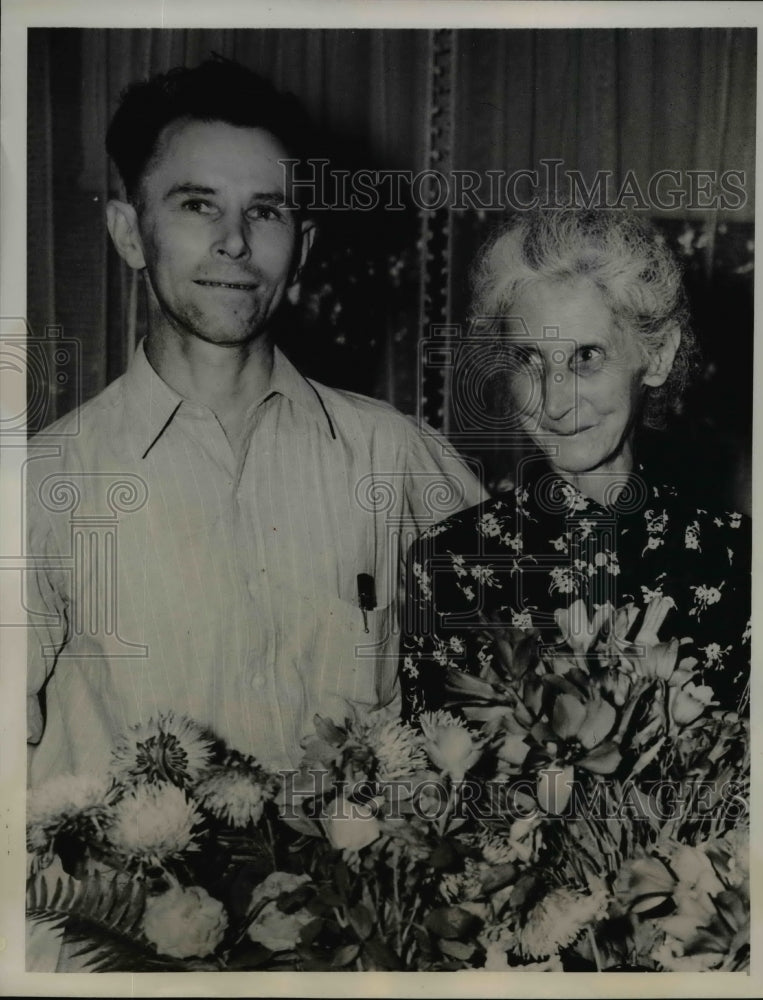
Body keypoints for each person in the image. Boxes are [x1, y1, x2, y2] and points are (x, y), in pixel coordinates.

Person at [25, 58, 483, 787]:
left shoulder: (398, 460)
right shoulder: (41, 486)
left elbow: (500, 714)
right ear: (128, 233)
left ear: (302, 247)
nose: (235, 242)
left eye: (265, 210)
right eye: (197, 205)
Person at [400, 208, 751, 719]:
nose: (556, 402)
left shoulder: (739, 560)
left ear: (657, 356)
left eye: (586, 356)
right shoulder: (450, 563)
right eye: (530, 360)